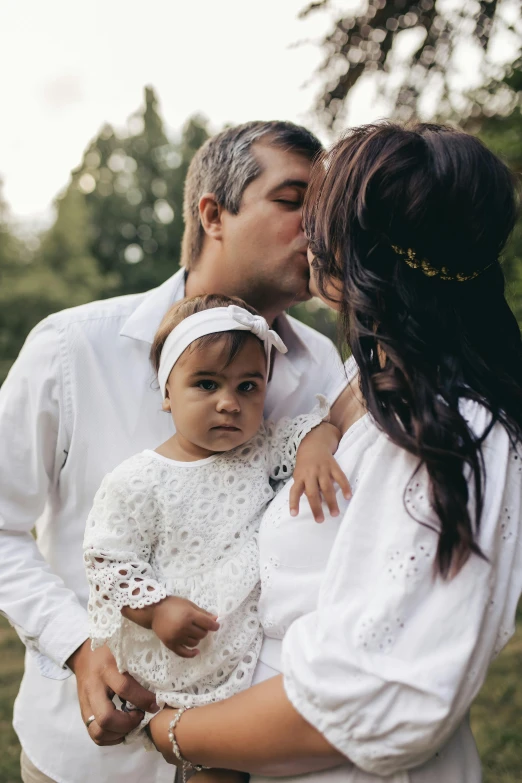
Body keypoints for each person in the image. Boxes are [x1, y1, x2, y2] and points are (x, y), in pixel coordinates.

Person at [146, 122, 522, 783]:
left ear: (354, 255)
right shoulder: (370, 383)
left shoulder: (449, 434)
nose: (306, 229)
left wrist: (176, 731)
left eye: (320, 208)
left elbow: (365, 698)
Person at [0, 121, 349, 783]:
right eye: (293, 199)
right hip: (89, 757)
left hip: (257, 755)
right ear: (214, 213)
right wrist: (78, 646)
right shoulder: (73, 350)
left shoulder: (325, 367)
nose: (320, 228)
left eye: (327, 209)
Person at [84, 293, 350, 783]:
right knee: (209, 768)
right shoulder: (139, 479)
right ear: (167, 391)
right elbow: (108, 560)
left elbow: (317, 426)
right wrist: (156, 608)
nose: (229, 402)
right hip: (179, 658)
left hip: (248, 653)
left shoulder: (261, 447)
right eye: (206, 384)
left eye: (248, 386)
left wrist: (315, 449)